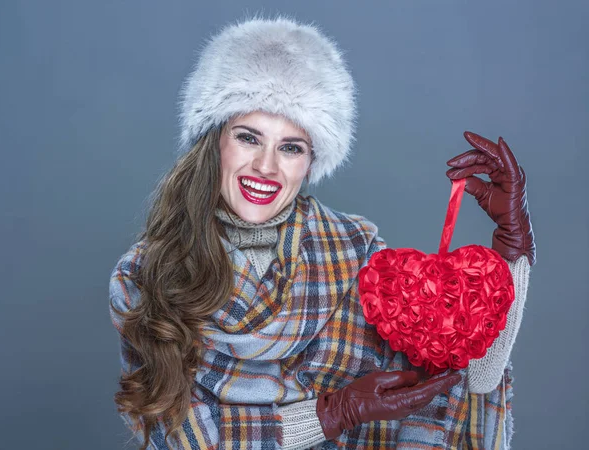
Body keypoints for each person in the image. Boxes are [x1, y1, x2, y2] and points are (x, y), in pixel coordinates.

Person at [109, 16, 534, 450]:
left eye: (290, 147)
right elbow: (187, 440)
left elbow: (470, 381)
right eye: (249, 138)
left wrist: (510, 248)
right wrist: (334, 412)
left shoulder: (357, 253)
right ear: (214, 141)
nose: (266, 166)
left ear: (310, 162)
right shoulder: (145, 276)